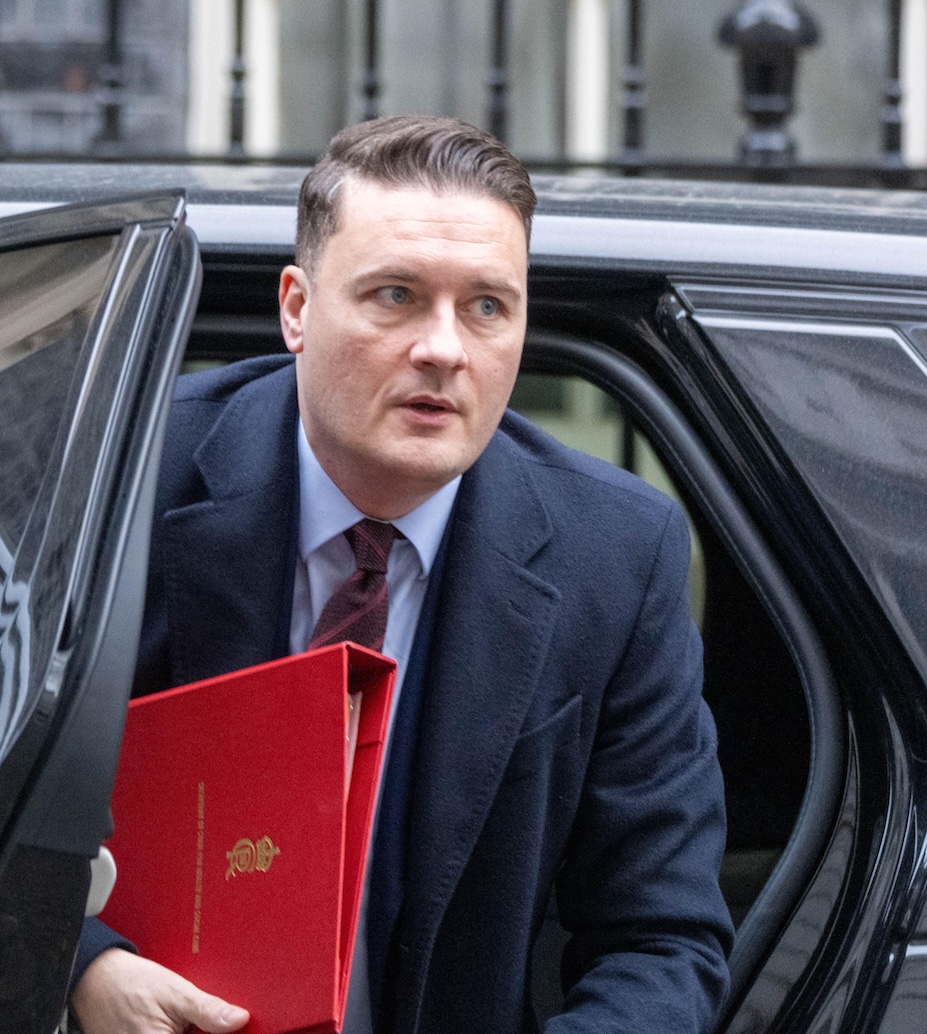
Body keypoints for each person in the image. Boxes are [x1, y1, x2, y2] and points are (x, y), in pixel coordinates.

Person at [69, 115, 733, 1034]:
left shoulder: (616, 555)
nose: (444, 349)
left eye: (487, 307)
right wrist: (85, 967)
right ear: (297, 309)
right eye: (396, 295)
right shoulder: (115, 475)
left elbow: (661, 940)